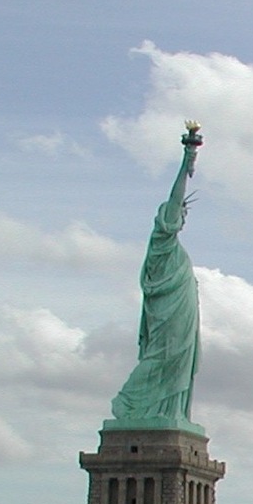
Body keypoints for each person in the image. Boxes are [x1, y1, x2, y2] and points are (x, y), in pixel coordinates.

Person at [110, 123, 204, 425]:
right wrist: (187, 157)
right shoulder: (162, 244)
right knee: (161, 357)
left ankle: (170, 412)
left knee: (177, 360)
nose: (181, 216)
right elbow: (176, 199)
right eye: (177, 214)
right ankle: (130, 403)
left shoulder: (174, 252)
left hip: (182, 313)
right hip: (168, 316)